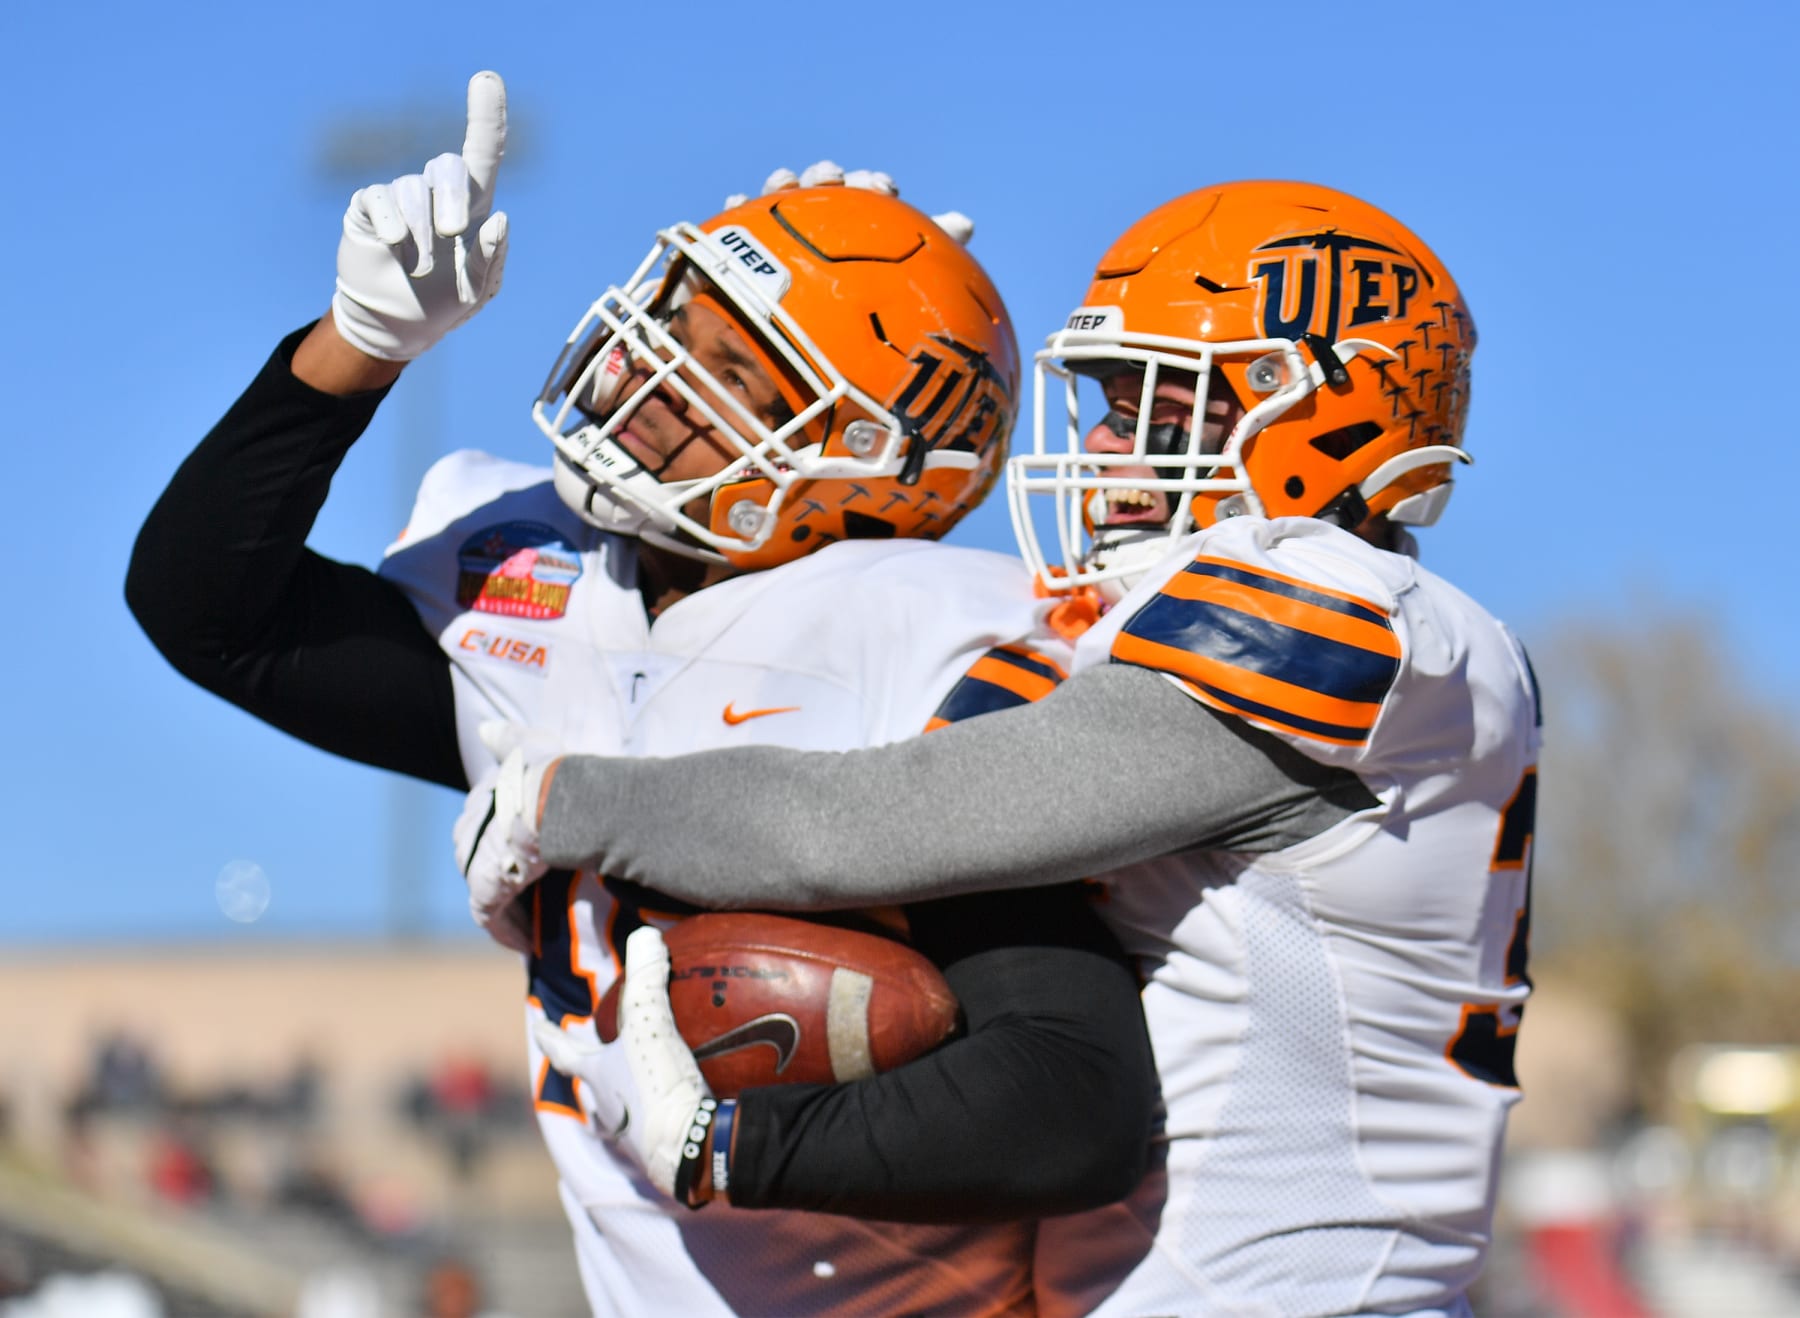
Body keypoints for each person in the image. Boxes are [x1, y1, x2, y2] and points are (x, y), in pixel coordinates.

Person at [125, 71, 1155, 1316]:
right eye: (680, 324)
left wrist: (726, 1147)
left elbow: (1073, 1093)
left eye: (740, 370)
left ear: (870, 464)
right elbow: (209, 611)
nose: (659, 379)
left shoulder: (912, 642)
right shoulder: (545, 589)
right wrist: (356, 347)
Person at [463, 179, 1542, 1317]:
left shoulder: (1345, 603)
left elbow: (883, 823)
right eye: (1109, 400)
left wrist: (565, 799)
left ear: (1305, 409)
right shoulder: (1243, 637)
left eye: (1158, 405)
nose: (1110, 444)